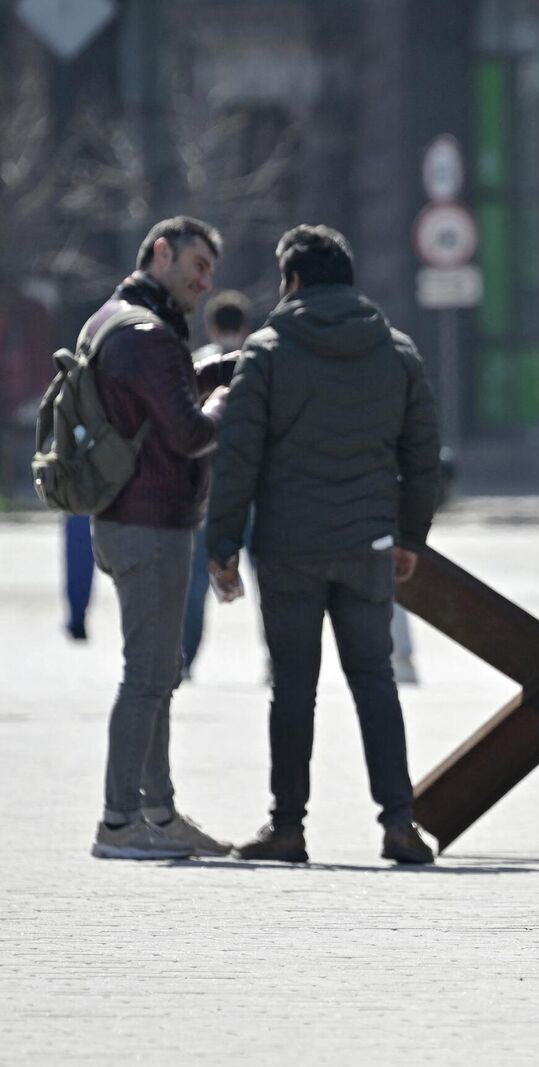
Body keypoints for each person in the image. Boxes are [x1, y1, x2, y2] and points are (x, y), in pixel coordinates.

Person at [206, 224, 441, 866]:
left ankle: (288, 828)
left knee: (294, 688)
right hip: (368, 544)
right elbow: (422, 457)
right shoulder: (396, 351)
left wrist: (222, 542)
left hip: (288, 547)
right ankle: (399, 824)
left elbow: (239, 456)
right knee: (376, 680)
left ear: (294, 281)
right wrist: (410, 535)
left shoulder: (268, 350)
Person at [85, 216, 234, 861]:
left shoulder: (116, 321)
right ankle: (118, 823)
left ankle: (158, 812)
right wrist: (229, 398)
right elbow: (188, 433)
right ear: (162, 252)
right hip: (148, 523)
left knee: (157, 671)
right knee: (146, 676)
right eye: (197, 266)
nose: (204, 283)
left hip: (132, 516)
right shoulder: (146, 334)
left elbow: (151, 408)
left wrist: (218, 369)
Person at [181, 290, 254, 680]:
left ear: (210, 325)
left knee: (195, 579)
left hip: (208, 487)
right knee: (268, 578)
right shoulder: (259, 365)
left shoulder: (199, 366)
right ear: (245, 325)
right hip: (255, 487)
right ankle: (276, 658)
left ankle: (185, 658)